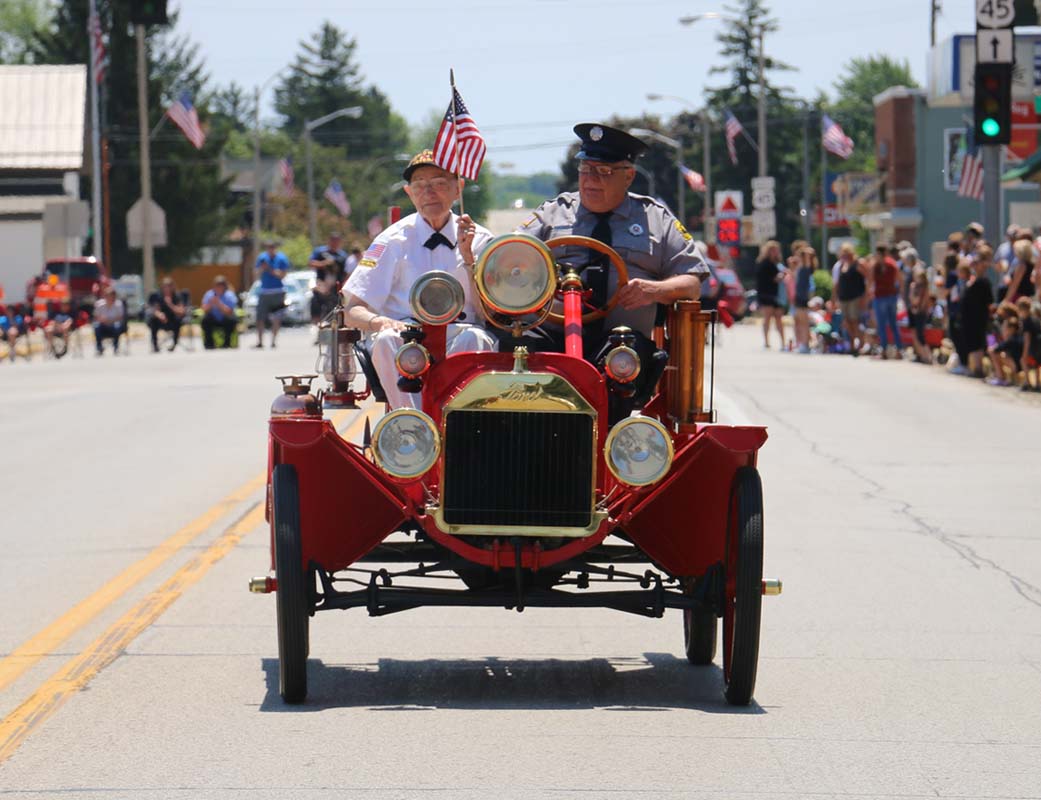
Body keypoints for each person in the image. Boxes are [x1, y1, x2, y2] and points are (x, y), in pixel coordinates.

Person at [514, 123, 707, 416]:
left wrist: (654, 290)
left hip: (621, 343)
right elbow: (511, 256)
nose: (590, 180)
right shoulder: (553, 212)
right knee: (513, 351)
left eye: (603, 171)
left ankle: (609, 449)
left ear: (628, 176)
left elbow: (692, 281)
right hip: (552, 335)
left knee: (620, 364)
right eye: (585, 169)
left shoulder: (656, 219)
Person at [343, 149, 497, 409]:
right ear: (409, 193)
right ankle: (414, 425)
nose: (429, 192)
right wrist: (382, 322)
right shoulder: (390, 241)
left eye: (439, 183)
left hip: (461, 334)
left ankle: (459, 422)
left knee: (478, 340)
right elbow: (352, 310)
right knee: (384, 341)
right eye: (420, 185)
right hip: (406, 335)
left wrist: (469, 258)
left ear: (458, 188)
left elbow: (492, 314)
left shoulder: (481, 240)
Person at [960, 255, 993, 378]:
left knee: (977, 343)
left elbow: (989, 302)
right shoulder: (972, 280)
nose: (973, 266)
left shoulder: (984, 282)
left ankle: (978, 369)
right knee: (971, 342)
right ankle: (974, 367)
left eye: (976, 264)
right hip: (969, 318)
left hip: (978, 318)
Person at [253, 239, 289, 349]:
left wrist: (270, 269)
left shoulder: (281, 258)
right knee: (260, 317)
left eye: (272, 247)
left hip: (278, 291)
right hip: (264, 291)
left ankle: (273, 341)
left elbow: (282, 275)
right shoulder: (262, 258)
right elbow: (256, 273)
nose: (270, 250)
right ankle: (260, 341)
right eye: (268, 247)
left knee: (276, 318)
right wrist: (261, 269)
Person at [308, 232, 349, 326]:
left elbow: (346, 272)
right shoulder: (320, 252)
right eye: (333, 241)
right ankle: (317, 328)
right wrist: (324, 263)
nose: (335, 243)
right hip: (321, 284)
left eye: (337, 241)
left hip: (335, 286)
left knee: (335, 308)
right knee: (316, 305)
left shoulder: (342, 255)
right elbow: (311, 263)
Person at [833, 243, 867, 356]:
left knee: (854, 320)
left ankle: (860, 343)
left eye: (847, 254)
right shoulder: (841, 265)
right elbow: (836, 284)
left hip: (855, 297)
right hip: (843, 298)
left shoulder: (858, 264)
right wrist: (833, 299)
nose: (845, 256)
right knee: (846, 322)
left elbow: (868, 278)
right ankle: (852, 343)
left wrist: (865, 296)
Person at [755, 241, 786, 349]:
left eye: (776, 250)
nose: (775, 252)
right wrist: (780, 276)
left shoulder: (777, 264)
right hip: (766, 294)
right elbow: (769, 279)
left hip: (777, 295)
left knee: (779, 317)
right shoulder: (764, 263)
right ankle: (766, 341)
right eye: (773, 250)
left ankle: (783, 342)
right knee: (767, 317)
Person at [147, 277, 186, 353]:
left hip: (173, 320)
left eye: (169, 286)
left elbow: (181, 311)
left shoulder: (177, 296)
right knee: (153, 321)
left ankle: (174, 344)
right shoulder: (158, 296)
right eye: (165, 286)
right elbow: (155, 309)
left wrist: (170, 304)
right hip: (162, 320)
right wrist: (160, 315)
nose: (167, 289)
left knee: (177, 321)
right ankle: (155, 346)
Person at [201, 275, 239, 349]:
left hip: (225, 319)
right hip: (213, 319)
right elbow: (204, 310)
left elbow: (230, 311)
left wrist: (219, 304)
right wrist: (211, 304)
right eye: (217, 284)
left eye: (221, 284)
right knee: (205, 320)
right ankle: (209, 344)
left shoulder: (229, 295)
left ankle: (226, 343)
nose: (219, 286)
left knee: (231, 320)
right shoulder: (209, 294)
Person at [792, 245, 817, 353]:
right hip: (798, 297)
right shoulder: (800, 267)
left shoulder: (807, 267)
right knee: (799, 321)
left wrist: (806, 254)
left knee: (804, 322)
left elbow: (810, 254)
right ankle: (802, 342)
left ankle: (805, 344)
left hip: (803, 298)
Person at [906, 266, 933, 364]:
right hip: (913, 311)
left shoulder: (925, 287)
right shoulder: (913, 286)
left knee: (920, 334)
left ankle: (927, 356)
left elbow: (922, 300)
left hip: (921, 312)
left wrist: (919, 308)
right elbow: (911, 298)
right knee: (915, 334)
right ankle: (920, 354)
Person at [92, 286, 126, 355]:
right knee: (96, 326)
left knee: (117, 325)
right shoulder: (99, 304)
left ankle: (116, 347)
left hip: (114, 325)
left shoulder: (118, 304)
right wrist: (102, 320)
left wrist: (110, 320)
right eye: (107, 295)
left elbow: (120, 317)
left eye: (111, 296)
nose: (109, 297)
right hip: (103, 325)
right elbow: (96, 317)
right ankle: (99, 347)